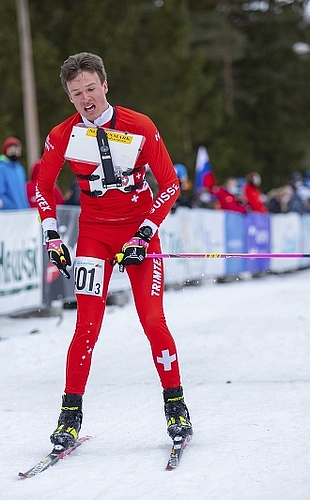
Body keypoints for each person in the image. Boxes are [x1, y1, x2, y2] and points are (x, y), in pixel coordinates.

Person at [34, 52, 192, 450]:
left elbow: (170, 185)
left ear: (105, 85)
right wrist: (52, 234)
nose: (85, 99)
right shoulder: (62, 135)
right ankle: (70, 415)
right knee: (86, 326)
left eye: (90, 89)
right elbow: (41, 186)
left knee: (153, 321)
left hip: (140, 234)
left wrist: (143, 235)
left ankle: (176, 405)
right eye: (76, 93)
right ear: (69, 96)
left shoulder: (140, 126)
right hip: (94, 238)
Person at [0, 137, 29, 210]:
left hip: (23, 213)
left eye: (16, 149)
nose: (14, 152)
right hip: (9, 214)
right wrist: (12, 206)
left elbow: (24, 194)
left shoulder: (20, 169)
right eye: (11, 149)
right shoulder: (0, 168)